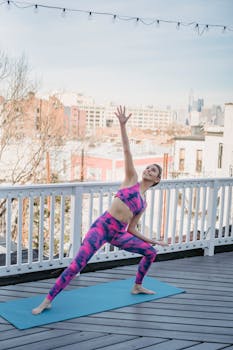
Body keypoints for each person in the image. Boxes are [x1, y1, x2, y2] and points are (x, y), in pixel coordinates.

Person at [32, 105, 168, 315]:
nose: (149, 170)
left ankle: (137, 285)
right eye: (148, 167)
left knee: (151, 253)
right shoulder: (131, 179)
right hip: (102, 227)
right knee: (77, 265)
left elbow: (132, 228)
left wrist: (150, 240)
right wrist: (123, 126)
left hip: (119, 234)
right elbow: (126, 150)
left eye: (154, 170)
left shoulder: (143, 203)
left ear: (157, 179)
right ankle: (48, 300)